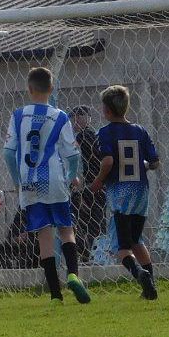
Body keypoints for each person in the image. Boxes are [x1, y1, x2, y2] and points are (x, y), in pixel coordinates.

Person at [3, 67, 91, 304]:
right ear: (51, 89)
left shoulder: (18, 115)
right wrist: (72, 176)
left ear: (29, 89)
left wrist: (17, 181)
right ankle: (73, 274)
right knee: (65, 230)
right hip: (54, 180)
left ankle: (55, 295)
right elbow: (73, 156)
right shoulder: (60, 116)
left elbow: (8, 153)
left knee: (44, 237)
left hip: (31, 182)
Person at [89, 85, 160, 300]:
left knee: (120, 248)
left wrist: (98, 181)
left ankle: (140, 274)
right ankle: (151, 287)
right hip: (141, 193)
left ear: (107, 111)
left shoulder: (105, 132)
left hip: (120, 195)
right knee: (136, 240)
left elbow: (108, 161)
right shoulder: (140, 131)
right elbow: (155, 163)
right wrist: (141, 165)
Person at [68, 106, 105, 260]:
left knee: (87, 221)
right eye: (73, 118)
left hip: (92, 186)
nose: (74, 121)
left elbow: (70, 150)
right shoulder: (94, 135)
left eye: (78, 117)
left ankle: (90, 254)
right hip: (99, 184)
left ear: (86, 117)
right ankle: (97, 256)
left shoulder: (84, 135)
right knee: (97, 222)